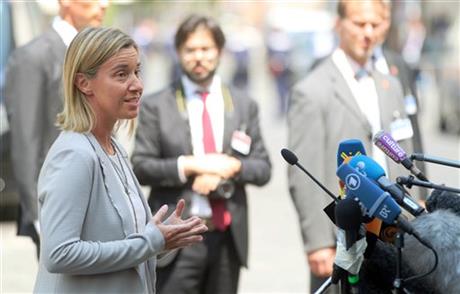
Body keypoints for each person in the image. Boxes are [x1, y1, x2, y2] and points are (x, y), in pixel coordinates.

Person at [33, 27, 207, 294]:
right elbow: (59, 254)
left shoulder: (112, 147)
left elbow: (124, 244)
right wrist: (150, 242)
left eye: (137, 71)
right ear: (83, 83)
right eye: (121, 74)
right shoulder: (75, 155)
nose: (137, 85)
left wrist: (163, 239)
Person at [131, 14, 271, 294]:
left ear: (219, 51)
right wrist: (192, 165)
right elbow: (141, 166)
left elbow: (263, 168)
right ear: (179, 53)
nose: (199, 57)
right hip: (176, 238)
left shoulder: (244, 105)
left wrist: (228, 166)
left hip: (226, 237)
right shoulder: (157, 105)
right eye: (190, 50)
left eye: (206, 49)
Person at [287, 0, 419, 292]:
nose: (368, 32)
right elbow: (302, 173)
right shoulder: (311, 90)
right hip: (345, 235)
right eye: (359, 24)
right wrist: (317, 243)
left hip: (394, 229)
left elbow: (404, 146)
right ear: (339, 24)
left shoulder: (390, 85)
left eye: (375, 24)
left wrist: (418, 202)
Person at [4, 0, 108, 255]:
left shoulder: (99, 53)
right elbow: (25, 141)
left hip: (99, 201)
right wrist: (39, 217)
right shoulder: (33, 56)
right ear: (66, 2)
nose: (103, 6)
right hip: (58, 207)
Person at [373, 0, 427, 178]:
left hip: (398, 184)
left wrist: (422, 188)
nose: (371, 30)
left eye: (380, 20)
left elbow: (413, 130)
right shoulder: (326, 71)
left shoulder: (399, 65)